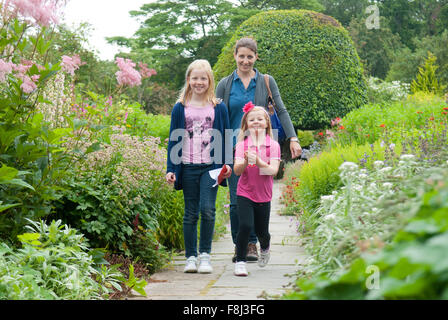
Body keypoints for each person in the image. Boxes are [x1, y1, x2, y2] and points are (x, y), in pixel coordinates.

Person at [215, 37, 302, 262]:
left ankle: (255, 242)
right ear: (234, 56)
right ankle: (242, 245)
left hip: (262, 147)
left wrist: (293, 138)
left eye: (249, 56)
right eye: (241, 56)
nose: (245, 61)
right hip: (234, 148)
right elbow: (217, 118)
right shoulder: (225, 84)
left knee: (258, 199)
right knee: (236, 201)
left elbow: (281, 110)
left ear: (256, 57)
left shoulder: (265, 81)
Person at [166, 59, 232, 274]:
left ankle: (205, 255)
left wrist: (226, 164)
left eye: (203, 78)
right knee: (191, 213)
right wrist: (171, 169)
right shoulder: (180, 107)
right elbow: (174, 139)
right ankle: (190, 257)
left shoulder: (218, 106)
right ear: (188, 80)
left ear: (209, 80)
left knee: (208, 210)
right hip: (187, 165)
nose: (199, 82)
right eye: (195, 78)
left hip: (210, 168)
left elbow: (225, 137)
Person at [232, 102, 281, 276]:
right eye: (252, 120)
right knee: (245, 225)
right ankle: (240, 262)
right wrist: (246, 161)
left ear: (267, 123)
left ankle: (265, 248)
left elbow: (273, 171)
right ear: (246, 125)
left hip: (264, 195)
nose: (256, 122)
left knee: (262, 232)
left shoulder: (273, 145)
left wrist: (258, 161)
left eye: (260, 119)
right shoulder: (241, 146)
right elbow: (237, 171)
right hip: (245, 191)